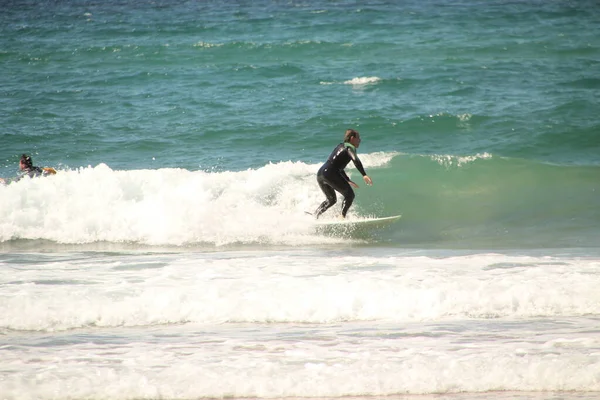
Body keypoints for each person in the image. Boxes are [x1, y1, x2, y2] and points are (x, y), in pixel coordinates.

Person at [314, 129, 373, 219]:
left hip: (321, 174)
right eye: (358, 139)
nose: (360, 141)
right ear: (352, 138)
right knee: (350, 195)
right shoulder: (349, 147)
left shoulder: (340, 146)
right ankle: (342, 216)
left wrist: (347, 180)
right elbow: (355, 160)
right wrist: (364, 174)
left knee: (331, 200)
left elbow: (337, 166)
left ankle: (315, 215)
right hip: (330, 173)